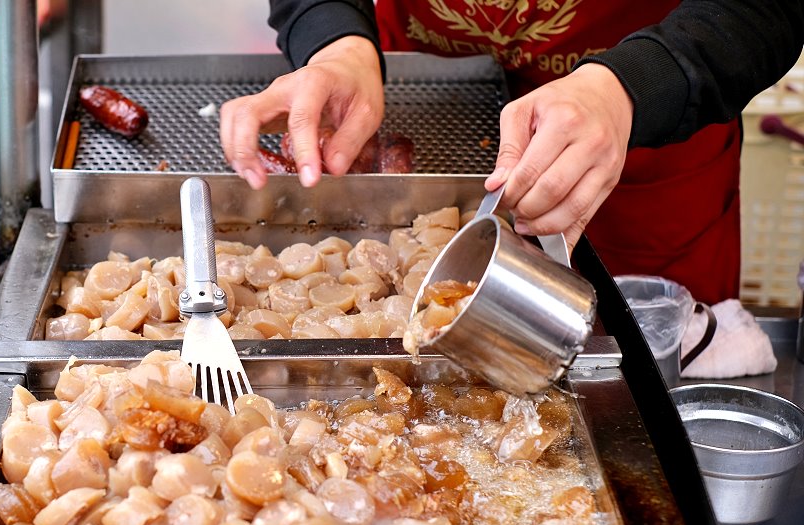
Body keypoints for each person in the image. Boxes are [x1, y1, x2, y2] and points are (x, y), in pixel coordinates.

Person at [220, 0, 804, 304]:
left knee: (649, 363)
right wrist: (335, 42)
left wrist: (633, 84)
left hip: (648, 134)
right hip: (432, 97)